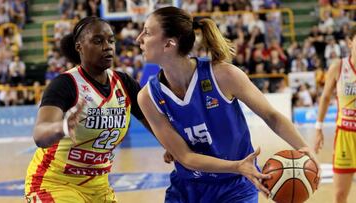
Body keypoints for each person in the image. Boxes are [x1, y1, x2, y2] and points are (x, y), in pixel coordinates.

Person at [136, 6, 320, 203]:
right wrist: (237, 165)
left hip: (237, 186)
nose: (139, 39)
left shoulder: (224, 75)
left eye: (147, 32)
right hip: (188, 188)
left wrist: (304, 147)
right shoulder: (147, 97)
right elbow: (186, 158)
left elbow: (271, 116)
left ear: (169, 44)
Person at [24, 16, 148, 202]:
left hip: (99, 188)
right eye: (98, 41)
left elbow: (157, 124)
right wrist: (62, 127)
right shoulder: (65, 84)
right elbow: (40, 135)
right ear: (79, 46)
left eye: (111, 41)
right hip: (53, 183)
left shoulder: (125, 83)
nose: (108, 46)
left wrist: (172, 148)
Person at [314, 26, 356, 203]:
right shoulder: (338, 67)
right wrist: (318, 128)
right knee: (339, 195)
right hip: (345, 135)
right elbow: (324, 98)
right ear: (350, 42)